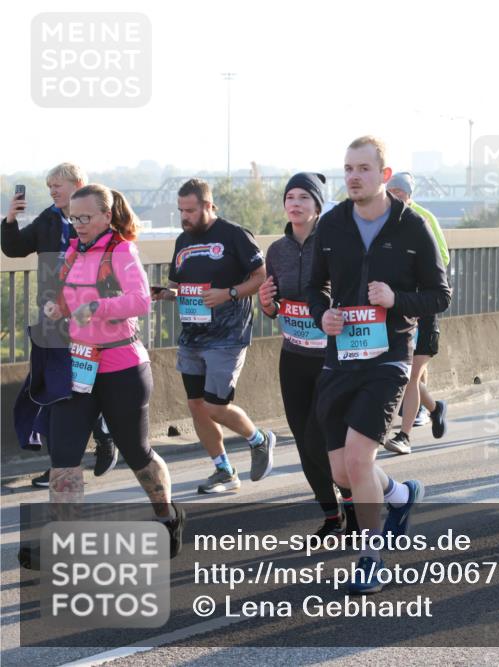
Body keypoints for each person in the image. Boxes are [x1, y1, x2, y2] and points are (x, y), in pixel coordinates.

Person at [306, 136, 451, 594]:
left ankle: (370, 558)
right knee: (341, 472)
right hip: (340, 356)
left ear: (384, 176)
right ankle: (399, 494)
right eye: (348, 168)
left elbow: (439, 294)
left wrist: (396, 299)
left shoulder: (412, 227)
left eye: (364, 169)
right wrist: (321, 313)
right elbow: (315, 287)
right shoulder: (331, 225)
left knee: (358, 457)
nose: (353, 176)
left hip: (388, 358)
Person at [23, 185, 184, 566]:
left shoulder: (121, 250)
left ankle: (167, 517)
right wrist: (55, 306)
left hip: (121, 368)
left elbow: (141, 301)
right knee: (64, 456)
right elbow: (65, 297)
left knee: (137, 452)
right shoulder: (72, 250)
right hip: (76, 367)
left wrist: (95, 306)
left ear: (105, 216)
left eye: (85, 217)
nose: (77, 224)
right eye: (72, 218)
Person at [151, 178, 274, 494]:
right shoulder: (182, 241)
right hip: (192, 336)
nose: (184, 216)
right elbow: (186, 288)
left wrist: (230, 293)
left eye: (190, 210)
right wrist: (167, 294)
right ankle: (223, 470)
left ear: (208, 205)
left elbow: (260, 276)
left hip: (228, 336)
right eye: (181, 210)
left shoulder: (234, 235)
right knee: (196, 407)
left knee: (216, 406)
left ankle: (258, 440)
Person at [2, 162, 119, 487]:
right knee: (55, 391)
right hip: (52, 318)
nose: (52, 190)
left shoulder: (99, 221)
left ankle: (104, 434)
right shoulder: (49, 220)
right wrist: (10, 219)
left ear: (78, 184)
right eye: (49, 185)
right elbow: (13, 249)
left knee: (84, 386)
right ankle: (59, 465)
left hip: (87, 319)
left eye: (58, 184)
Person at [258, 172, 352, 537]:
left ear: (317, 205)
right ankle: (331, 515)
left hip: (330, 357)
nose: (295, 203)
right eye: (290, 197)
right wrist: (267, 304)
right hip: (293, 355)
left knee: (322, 438)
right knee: (302, 439)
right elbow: (273, 305)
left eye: (303, 197)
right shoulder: (277, 251)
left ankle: (354, 503)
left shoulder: (331, 245)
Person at [383, 172, 449, 455]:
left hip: (423, 308)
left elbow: (441, 259)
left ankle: (404, 436)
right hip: (395, 310)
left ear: (409, 196)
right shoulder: (380, 221)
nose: (395, 197)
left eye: (400, 193)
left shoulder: (423, 220)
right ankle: (435, 407)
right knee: (403, 374)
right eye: (391, 192)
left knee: (411, 375)